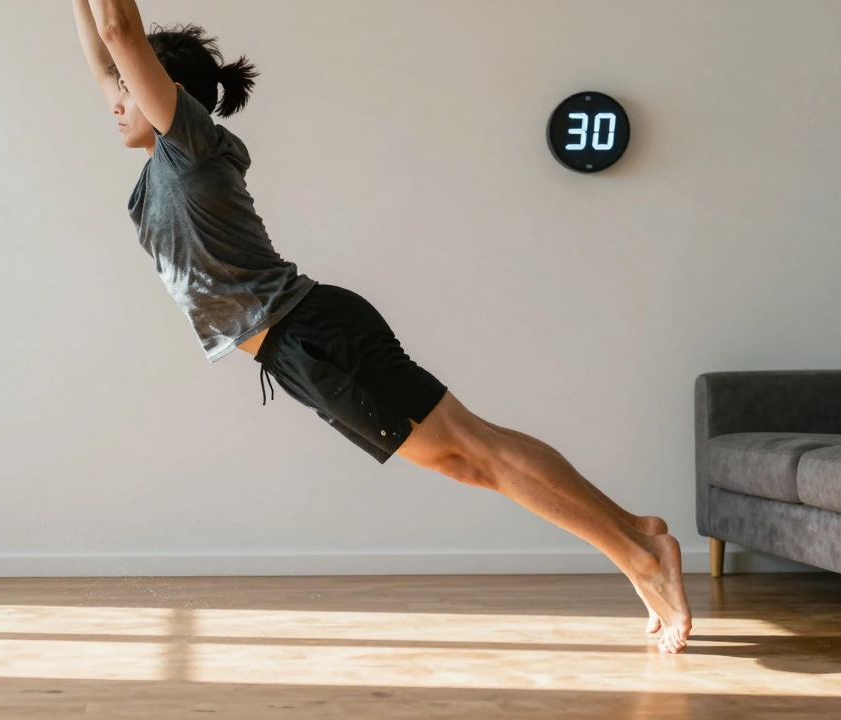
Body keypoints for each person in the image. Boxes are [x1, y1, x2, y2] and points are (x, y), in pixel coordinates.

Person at [71, 0, 692, 654]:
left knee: (478, 453)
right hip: (296, 352)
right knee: (472, 460)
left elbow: (118, 29)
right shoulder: (162, 166)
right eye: (114, 89)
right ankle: (637, 533)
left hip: (314, 334)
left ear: (166, 93)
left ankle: (642, 559)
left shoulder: (191, 144)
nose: (113, 101)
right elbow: (100, 50)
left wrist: (115, 33)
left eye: (126, 89)